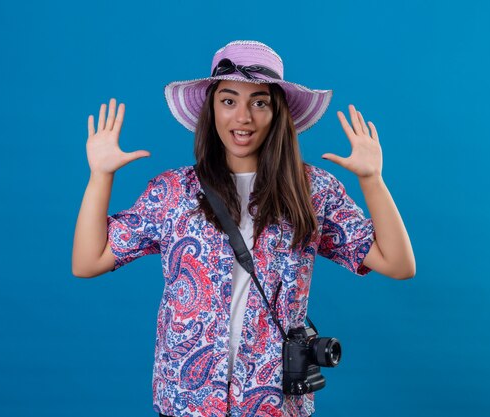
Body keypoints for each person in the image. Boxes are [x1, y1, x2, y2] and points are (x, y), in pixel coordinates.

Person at [72, 40, 415, 417]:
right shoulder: (173, 192)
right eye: (229, 100)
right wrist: (99, 177)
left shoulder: (313, 191)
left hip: (273, 403)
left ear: (277, 112)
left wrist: (373, 180)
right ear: (211, 109)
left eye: (260, 102)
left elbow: (398, 264)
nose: (243, 117)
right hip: (188, 401)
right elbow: (88, 262)